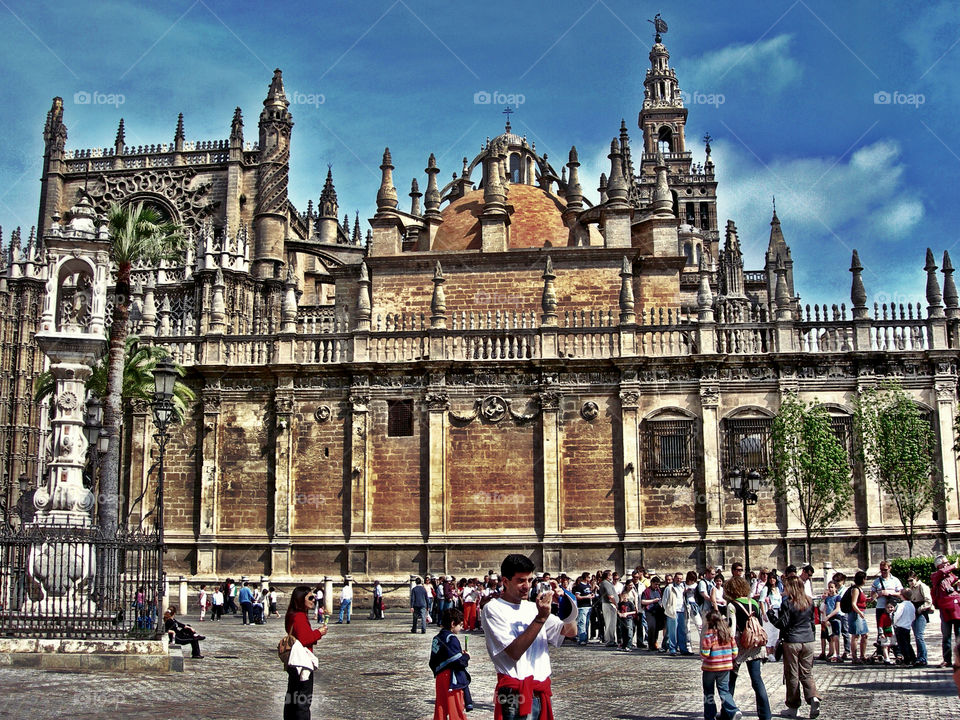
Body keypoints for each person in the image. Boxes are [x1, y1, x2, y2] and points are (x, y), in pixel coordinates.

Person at [482, 554, 577, 720]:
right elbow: (514, 651)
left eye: (530, 580)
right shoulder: (493, 609)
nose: (527, 586)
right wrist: (540, 618)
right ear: (505, 581)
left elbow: (570, 632)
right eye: (520, 580)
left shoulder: (533, 608)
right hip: (514, 693)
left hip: (540, 691)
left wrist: (564, 602)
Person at [768, 576, 821, 719]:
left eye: (785, 587)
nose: (783, 589)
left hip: (792, 641)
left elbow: (782, 624)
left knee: (792, 674)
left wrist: (771, 614)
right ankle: (813, 697)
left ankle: (793, 706)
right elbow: (812, 622)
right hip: (808, 640)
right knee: (807, 672)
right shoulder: (809, 601)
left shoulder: (788, 603)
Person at [720, 576, 770, 720]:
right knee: (757, 680)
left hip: (740, 645)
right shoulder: (753, 602)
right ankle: (766, 715)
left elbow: (731, 629)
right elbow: (759, 623)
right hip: (754, 644)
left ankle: (727, 713)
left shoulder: (732, 605)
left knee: (730, 680)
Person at [284, 586, 328, 720]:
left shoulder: (291, 615)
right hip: (302, 663)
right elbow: (304, 639)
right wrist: (319, 633)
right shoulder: (300, 617)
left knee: (292, 698)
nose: (313, 600)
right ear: (300, 599)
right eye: (310, 597)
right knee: (303, 701)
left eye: (314, 597)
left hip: (293, 661)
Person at [430, 608, 473, 720]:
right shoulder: (452, 638)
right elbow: (458, 662)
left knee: (441, 708)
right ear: (453, 624)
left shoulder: (436, 638)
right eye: (460, 625)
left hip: (440, 677)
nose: (462, 628)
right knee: (456, 709)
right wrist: (466, 656)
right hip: (452, 679)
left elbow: (432, 661)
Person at [700, 610, 742, 720]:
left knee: (709, 693)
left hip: (710, 668)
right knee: (724, 690)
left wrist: (702, 655)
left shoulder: (709, 635)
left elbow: (705, 654)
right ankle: (733, 710)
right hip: (725, 668)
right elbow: (735, 652)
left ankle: (710, 715)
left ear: (709, 621)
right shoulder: (728, 634)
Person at [931, 554, 960, 667]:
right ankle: (947, 660)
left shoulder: (953, 576)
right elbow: (941, 573)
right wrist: (953, 565)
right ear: (939, 565)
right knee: (946, 636)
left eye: (948, 562)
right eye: (945, 563)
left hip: (956, 608)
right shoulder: (936, 576)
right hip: (945, 609)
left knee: (959, 635)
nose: (947, 564)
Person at [907, 571, 933, 666]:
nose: (910, 582)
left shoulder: (922, 586)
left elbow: (928, 601)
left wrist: (920, 609)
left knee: (919, 635)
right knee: (916, 635)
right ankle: (919, 657)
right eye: (909, 581)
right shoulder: (911, 588)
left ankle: (923, 658)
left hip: (921, 611)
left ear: (916, 578)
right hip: (914, 611)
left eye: (912, 580)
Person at [846, 571, 869, 664]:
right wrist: (859, 612)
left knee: (865, 635)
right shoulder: (855, 589)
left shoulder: (860, 589)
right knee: (855, 635)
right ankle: (854, 657)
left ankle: (862, 655)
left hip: (861, 613)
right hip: (856, 614)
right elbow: (853, 603)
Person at [871, 560, 903, 626]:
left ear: (889, 568)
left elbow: (901, 594)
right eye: (881, 570)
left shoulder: (895, 580)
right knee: (881, 629)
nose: (883, 572)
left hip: (892, 608)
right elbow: (872, 595)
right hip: (881, 608)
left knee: (893, 628)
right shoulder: (876, 582)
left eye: (885, 570)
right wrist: (879, 594)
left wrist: (889, 593)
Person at [758, 572, 782, 662]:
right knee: (768, 632)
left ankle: (772, 651)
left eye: (774, 578)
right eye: (770, 578)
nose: (772, 580)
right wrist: (764, 614)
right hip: (768, 612)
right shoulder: (766, 589)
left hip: (776, 611)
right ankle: (768, 653)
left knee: (775, 632)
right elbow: (761, 601)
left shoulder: (777, 589)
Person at [663, 572, 685, 656]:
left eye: (680, 578)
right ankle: (672, 648)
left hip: (682, 610)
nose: (679, 580)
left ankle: (683, 648)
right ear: (674, 578)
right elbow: (664, 600)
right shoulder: (669, 588)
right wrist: (668, 610)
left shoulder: (683, 587)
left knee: (682, 631)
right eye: (677, 578)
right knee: (672, 631)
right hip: (673, 611)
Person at [819, 581, 842, 662]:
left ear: (835, 588)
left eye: (832, 587)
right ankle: (832, 652)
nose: (830, 589)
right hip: (828, 619)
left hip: (835, 618)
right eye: (829, 587)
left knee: (836, 637)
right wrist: (825, 618)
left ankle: (838, 654)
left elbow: (837, 609)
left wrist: (829, 616)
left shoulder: (837, 597)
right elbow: (825, 608)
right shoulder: (827, 598)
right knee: (830, 637)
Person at [893, 591, 917, 665]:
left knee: (902, 645)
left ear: (903, 596)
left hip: (900, 626)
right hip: (907, 627)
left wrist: (894, 622)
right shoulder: (911, 605)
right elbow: (913, 616)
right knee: (907, 643)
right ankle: (913, 658)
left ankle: (907, 659)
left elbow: (897, 615)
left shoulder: (901, 605)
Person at [641, 576, 664, 651]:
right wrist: (653, 600)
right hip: (649, 611)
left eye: (658, 584)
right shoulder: (647, 591)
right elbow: (643, 601)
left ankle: (654, 643)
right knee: (651, 627)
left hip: (657, 611)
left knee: (657, 628)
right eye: (655, 584)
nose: (657, 586)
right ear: (651, 583)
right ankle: (650, 644)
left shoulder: (658, 590)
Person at [572, 572, 593, 645]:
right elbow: (577, 596)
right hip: (582, 606)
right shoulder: (579, 586)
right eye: (589, 577)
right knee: (582, 623)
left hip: (588, 606)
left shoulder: (588, 585)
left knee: (587, 623)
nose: (590, 579)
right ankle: (582, 639)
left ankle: (586, 638)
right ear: (586, 577)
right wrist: (586, 597)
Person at [599, 570, 618, 648]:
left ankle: (611, 639)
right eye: (610, 575)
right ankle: (610, 640)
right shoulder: (606, 583)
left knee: (612, 623)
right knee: (610, 623)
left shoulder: (606, 583)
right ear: (608, 576)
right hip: (609, 604)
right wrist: (616, 604)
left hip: (609, 604)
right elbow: (610, 596)